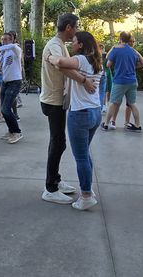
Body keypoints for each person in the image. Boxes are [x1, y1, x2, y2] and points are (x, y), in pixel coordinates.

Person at [40, 13, 94, 204]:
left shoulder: (60, 44)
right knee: (58, 143)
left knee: (58, 142)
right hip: (52, 101)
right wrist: (84, 80)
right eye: (76, 27)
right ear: (69, 27)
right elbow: (60, 66)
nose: (77, 31)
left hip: (57, 101)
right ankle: (50, 188)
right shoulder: (55, 45)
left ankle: (55, 179)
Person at [48, 31, 103, 210]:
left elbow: (61, 62)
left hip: (80, 114)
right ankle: (88, 189)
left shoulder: (81, 59)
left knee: (81, 157)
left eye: (74, 41)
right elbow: (66, 70)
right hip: (95, 112)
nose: (72, 44)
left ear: (80, 45)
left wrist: (50, 57)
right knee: (85, 154)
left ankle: (86, 196)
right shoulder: (96, 62)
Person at [103, 32, 143, 132]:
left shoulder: (116, 49)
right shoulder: (133, 51)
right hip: (132, 81)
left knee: (113, 103)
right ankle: (137, 125)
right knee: (132, 103)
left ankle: (106, 124)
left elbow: (108, 64)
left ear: (120, 39)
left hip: (119, 81)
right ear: (129, 39)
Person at [0, 32, 24, 144]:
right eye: (2, 39)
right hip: (5, 82)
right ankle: (11, 131)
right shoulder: (3, 53)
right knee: (4, 109)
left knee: (6, 108)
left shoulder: (16, 49)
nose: (3, 41)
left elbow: (12, 46)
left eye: (6, 39)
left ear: (12, 40)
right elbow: (0, 66)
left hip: (14, 82)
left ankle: (17, 132)